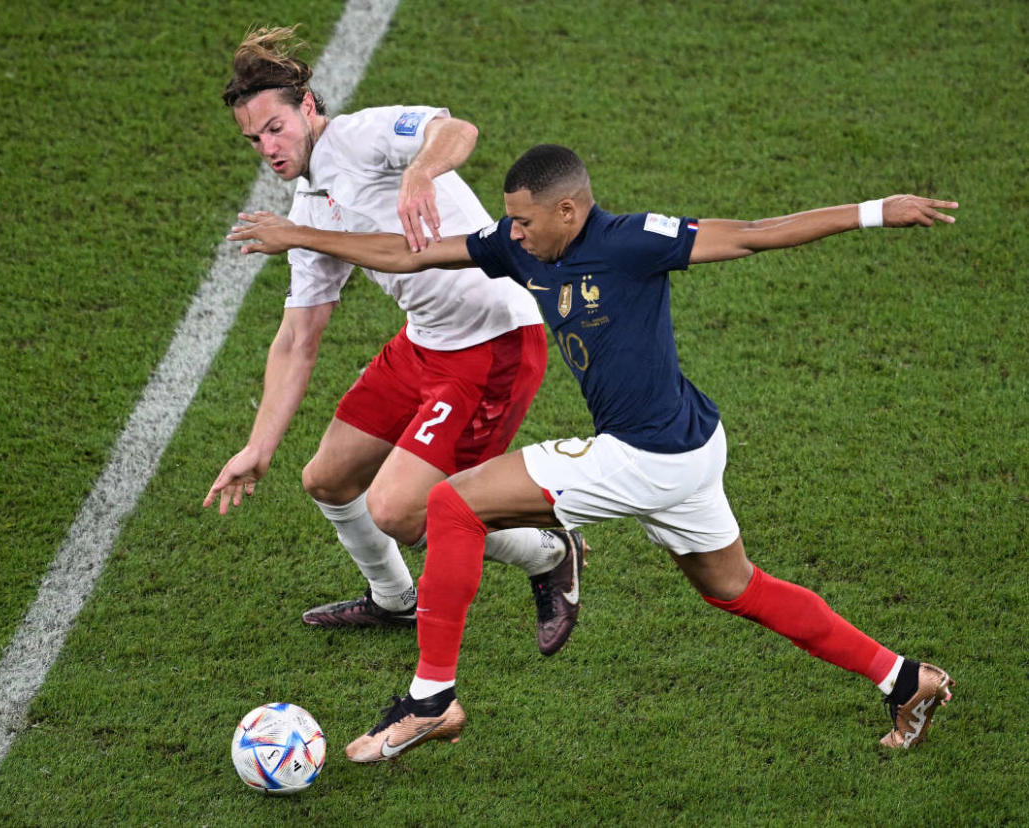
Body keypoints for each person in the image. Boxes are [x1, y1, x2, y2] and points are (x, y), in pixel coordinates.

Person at [226, 143, 958, 760]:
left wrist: (876, 211)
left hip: (646, 455)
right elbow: (408, 255)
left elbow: (756, 232)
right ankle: (903, 679)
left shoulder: (635, 242)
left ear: (568, 211)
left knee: (449, 502)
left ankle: (432, 699)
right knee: (735, 589)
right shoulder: (519, 248)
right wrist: (302, 238)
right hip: (691, 446)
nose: (510, 231)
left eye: (522, 218)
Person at [203, 28, 589, 656]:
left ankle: (549, 549)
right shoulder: (308, 209)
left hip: (493, 343)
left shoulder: (360, 136)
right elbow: (298, 337)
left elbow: (456, 130)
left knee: (402, 511)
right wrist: (258, 446)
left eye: (274, 128)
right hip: (425, 344)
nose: (267, 148)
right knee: (327, 479)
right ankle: (393, 599)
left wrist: (419, 173)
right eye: (253, 139)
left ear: (305, 108)